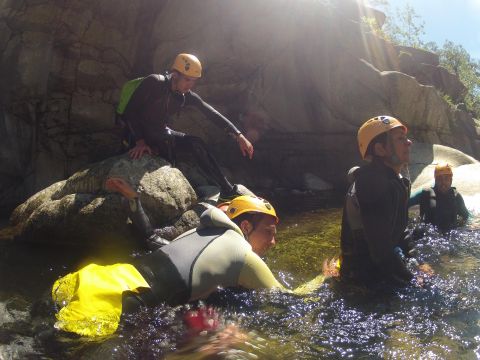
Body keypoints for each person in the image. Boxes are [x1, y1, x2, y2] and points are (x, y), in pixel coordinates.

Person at [51, 179, 327, 337]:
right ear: (245, 228)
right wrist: (324, 277)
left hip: (96, 277)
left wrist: (135, 202)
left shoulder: (197, 232)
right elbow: (290, 300)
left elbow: (150, 239)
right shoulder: (242, 254)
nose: (273, 242)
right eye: (268, 232)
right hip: (123, 302)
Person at [121, 53, 254, 200]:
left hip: (159, 133)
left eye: (194, 81)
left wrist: (238, 135)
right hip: (136, 133)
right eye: (187, 80)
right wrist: (140, 142)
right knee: (167, 148)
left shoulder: (184, 96)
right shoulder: (154, 83)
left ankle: (228, 191)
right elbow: (129, 112)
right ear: (175, 75)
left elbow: (211, 113)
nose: (190, 85)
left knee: (196, 143)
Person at [340, 115, 417, 286]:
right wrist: (415, 282)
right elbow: (380, 252)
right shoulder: (372, 184)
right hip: (363, 279)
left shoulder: (395, 179)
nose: (409, 143)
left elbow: (400, 228)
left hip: (381, 266)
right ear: (380, 149)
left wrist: (417, 261)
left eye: (405, 138)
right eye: (400, 139)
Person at [409, 163, 470, 232]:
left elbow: (467, 216)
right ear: (435, 180)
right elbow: (405, 203)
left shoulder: (456, 197)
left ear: (451, 180)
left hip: (451, 235)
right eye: (439, 179)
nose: (443, 182)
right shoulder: (425, 194)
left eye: (446, 179)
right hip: (427, 234)